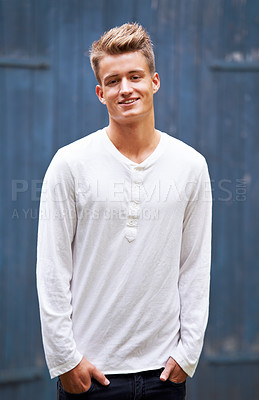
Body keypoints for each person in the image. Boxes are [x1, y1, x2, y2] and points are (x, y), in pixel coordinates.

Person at [36, 22, 212, 400]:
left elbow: (194, 265)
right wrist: (65, 359)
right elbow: (52, 268)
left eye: (135, 76)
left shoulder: (190, 166)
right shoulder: (70, 164)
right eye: (113, 81)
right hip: (91, 375)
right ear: (100, 93)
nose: (126, 89)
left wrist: (189, 352)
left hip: (163, 375)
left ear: (155, 81)